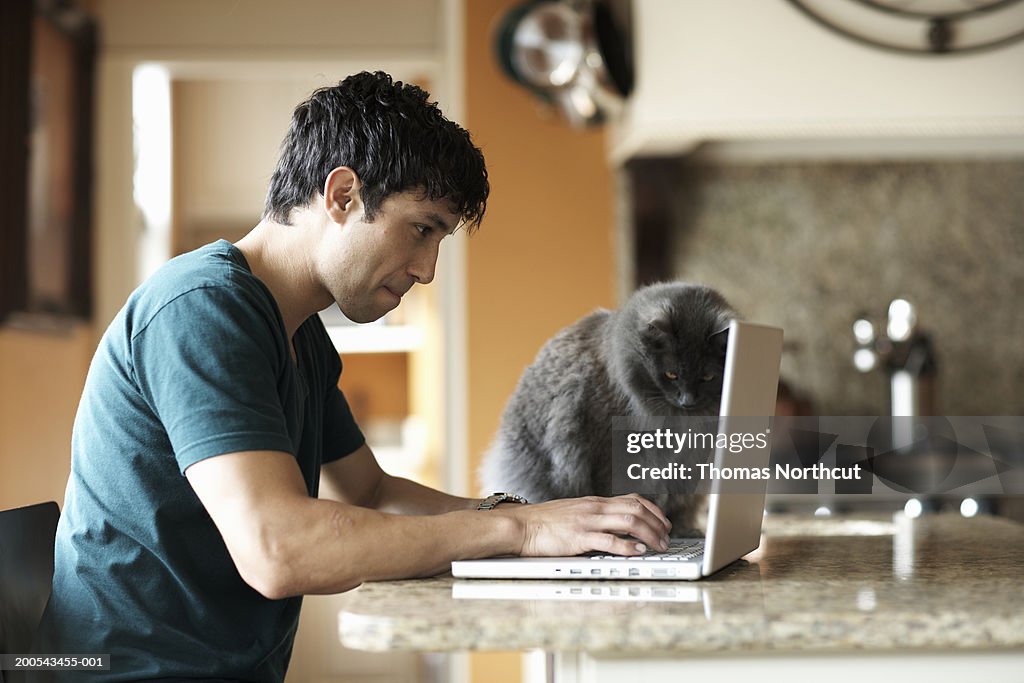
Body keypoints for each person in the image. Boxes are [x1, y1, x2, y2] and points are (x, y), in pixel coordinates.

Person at [36, 71, 672, 682]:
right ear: (342, 195)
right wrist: (521, 531)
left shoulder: (299, 331)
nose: (426, 270)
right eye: (421, 230)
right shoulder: (202, 311)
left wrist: (546, 519)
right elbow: (279, 550)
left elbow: (369, 491)